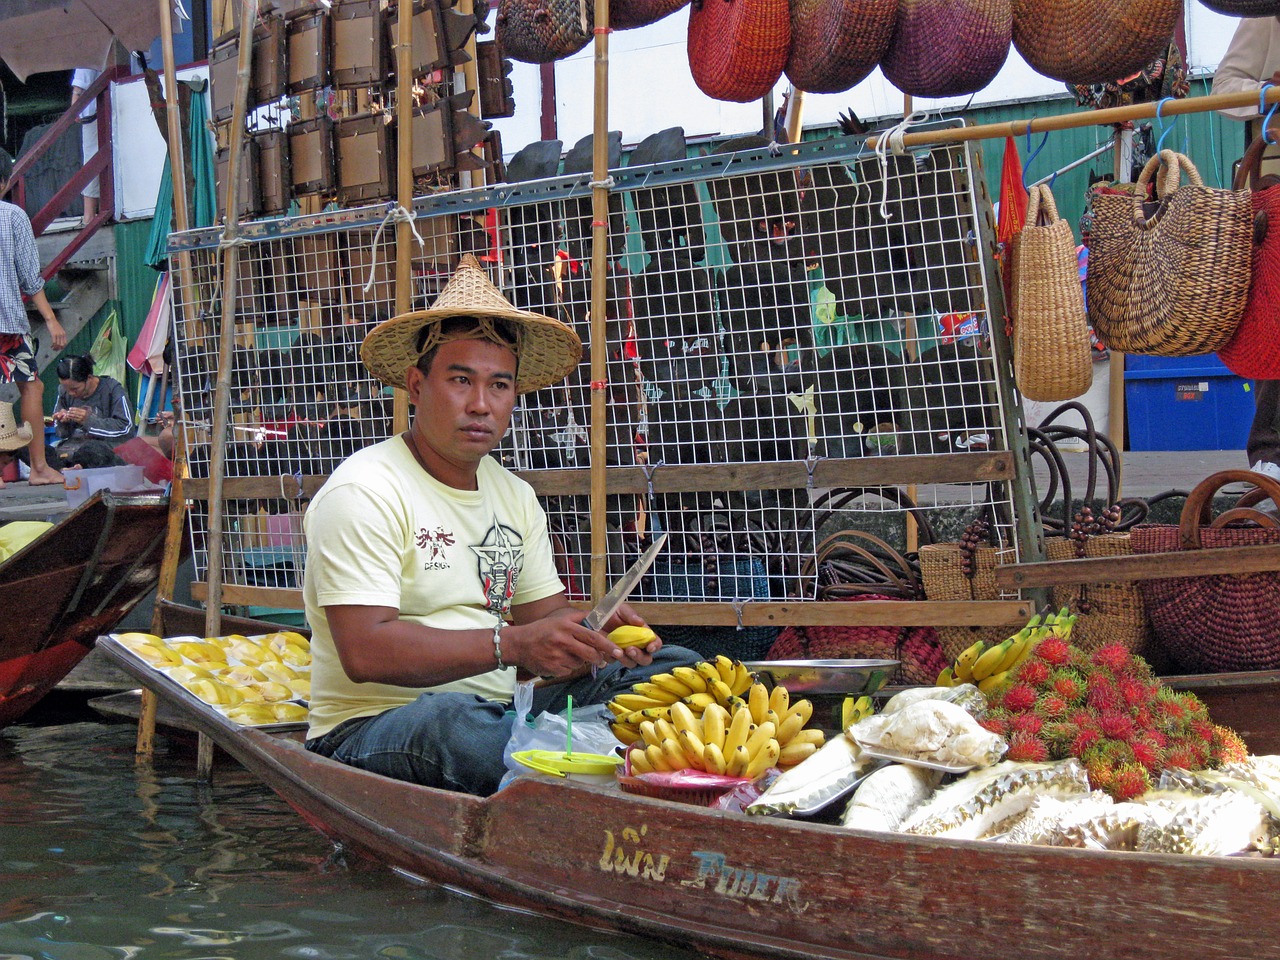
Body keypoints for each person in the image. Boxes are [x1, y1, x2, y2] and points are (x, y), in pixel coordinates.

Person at [303, 254, 698, 796]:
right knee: (454, 725)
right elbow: (365, 653)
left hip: (503, 709)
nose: (481, 405)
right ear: (417, 386)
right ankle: (596, 768)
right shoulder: (365, 490)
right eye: (460, 381)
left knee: (680, 672)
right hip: (377, 726)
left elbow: (541, 619)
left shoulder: (513, 495)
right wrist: (510, 646)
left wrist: (591, 633)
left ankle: (609, 766)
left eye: (499, 386)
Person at [1211, 14, 1280, 483]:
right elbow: (1225, 86)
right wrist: (1270, 101)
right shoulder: (1267, 12)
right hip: (1277, 186)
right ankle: (1271, 455)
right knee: (1274, 315)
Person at [0, 149, 66, 487]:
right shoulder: (12, 216)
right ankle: (39, 468)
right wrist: (51, 320)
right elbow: (30, 277)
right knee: (32, 386)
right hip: (6, 323)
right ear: (6, 181)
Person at [51, 354, 137, 460]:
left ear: (89, 378)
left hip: (107, 447)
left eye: (75, 389)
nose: (70, 393)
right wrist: (62, 422)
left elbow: (126, 428)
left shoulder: (112, 390)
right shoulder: (64, 391)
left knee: (90, 455)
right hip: (74, 445)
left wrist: (88, 421)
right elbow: (62, 434)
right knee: (49, 453)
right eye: (65, 388)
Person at [70, 68, 101, 226]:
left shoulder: (88, 44)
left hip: (95, 111)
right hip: (108, 105)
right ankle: (91, 214)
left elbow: (85, 71)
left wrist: (75, 101)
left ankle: (89, 215)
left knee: (91, 160)